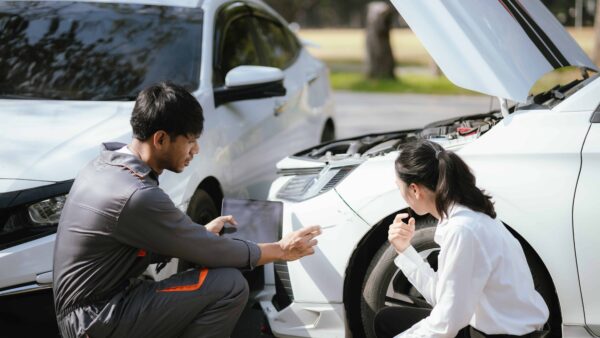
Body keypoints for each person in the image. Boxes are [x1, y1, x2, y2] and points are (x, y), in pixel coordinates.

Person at [52, 82, 321, 338]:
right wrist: (281, 251)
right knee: (229, 285)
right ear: (160, 139)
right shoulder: (136, 195)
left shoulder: (106, 166)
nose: (196, 149)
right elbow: (213, 252)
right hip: (97, 319)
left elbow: (137, 238)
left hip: (92, 312)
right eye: (190, 140)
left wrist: (198, 235)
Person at [373, 139, 549, 338]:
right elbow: (445, 298)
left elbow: (446, 323)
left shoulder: (462, 231)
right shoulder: (466, 216)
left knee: (391, 326)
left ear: (414, 189)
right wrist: (405, 250)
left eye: (399, 188)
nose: (401, 194)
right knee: (387, 320)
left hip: (502, 336)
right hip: (493, 329)